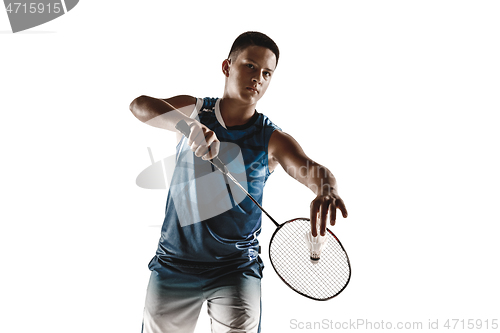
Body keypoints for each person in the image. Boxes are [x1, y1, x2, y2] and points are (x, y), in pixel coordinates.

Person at [130, 31, 348, 333]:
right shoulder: (195, 110)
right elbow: (140, 105)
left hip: (235, 269)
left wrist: (326, 189)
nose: (258, 78)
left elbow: (310, 168)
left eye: (266, 73)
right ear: (227, 66)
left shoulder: (271, 138)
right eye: (250, 66)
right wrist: (187, 124)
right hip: (174, 264)